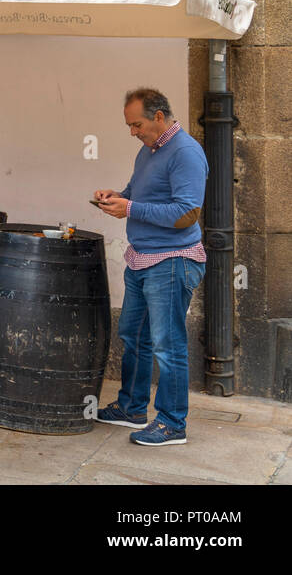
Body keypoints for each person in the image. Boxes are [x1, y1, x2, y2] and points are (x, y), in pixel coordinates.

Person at [93, 87, 207, 446]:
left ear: (159, 116)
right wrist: (118, 197)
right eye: (129, 125)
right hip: (143, 259)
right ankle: (132, 408)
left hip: (172, 262)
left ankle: (173, 423)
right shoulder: (149, 151)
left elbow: (186, 214)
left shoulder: (185, 152)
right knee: (134, 336)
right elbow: (139, 194)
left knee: (167, 345)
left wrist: (130, 209)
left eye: (136, 124)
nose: (133, 132)